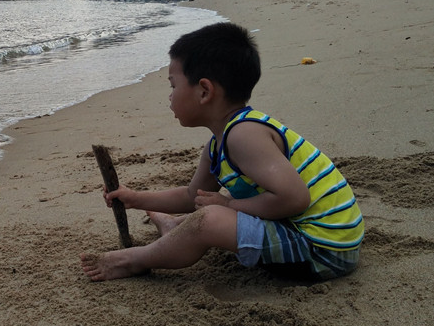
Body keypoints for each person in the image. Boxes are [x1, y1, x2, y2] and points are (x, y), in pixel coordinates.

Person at [81, 23, 364, 283]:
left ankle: (135, 260)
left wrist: (228, 207)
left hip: (323, 251)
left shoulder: (244, 135)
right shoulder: (219, 144)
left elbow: (294, 198)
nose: (169, 95)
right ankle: (175, 228)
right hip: (303, 236)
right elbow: (192, 197)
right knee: (208, 208)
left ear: (204, 91)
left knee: (212, 217)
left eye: (173, 85)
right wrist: (133, 198)